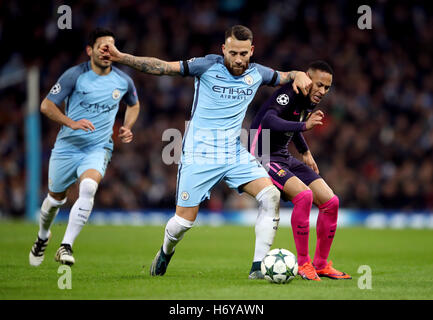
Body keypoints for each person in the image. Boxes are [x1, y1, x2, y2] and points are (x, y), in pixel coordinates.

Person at [99, 25, 312, 278]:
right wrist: (122, 57)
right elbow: (163, 67)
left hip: (233, 153)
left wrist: (299, 73)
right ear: (224, 49)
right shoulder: (207, 66)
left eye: (244, 53)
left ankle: (258, 268)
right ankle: (166, 251)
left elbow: (285, 76)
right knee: (183, 223)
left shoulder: (258, 74)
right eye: (233, 53)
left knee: (270, 196)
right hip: (199, 155)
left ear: (251, 51)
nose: (238, 59)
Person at [29, 28, 140, 267]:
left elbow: (134, 104)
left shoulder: (123, 80)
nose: (106, 51)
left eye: (111, 47)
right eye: (102, 46)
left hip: (98, 148)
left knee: (88, 187)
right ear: (90, 50)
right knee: (55, 199)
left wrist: (128, 126)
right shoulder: (74, 76)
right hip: (67, 147)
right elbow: (46, 106)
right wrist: (71, 122)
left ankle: (65, 246)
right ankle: (42, 236)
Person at [249, 60, 351, 280]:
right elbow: (269, 120)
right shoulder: (289, 93)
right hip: (263, 153)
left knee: (330, 202)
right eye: (319, 85)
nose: (322, 91)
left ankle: (321, 264)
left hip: (283, 154)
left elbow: (291, 121)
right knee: (304, 196)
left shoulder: (308, 98)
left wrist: (304, 151)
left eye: (327, 88)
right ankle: (304, 264)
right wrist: (304, 126)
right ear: (307, 78)